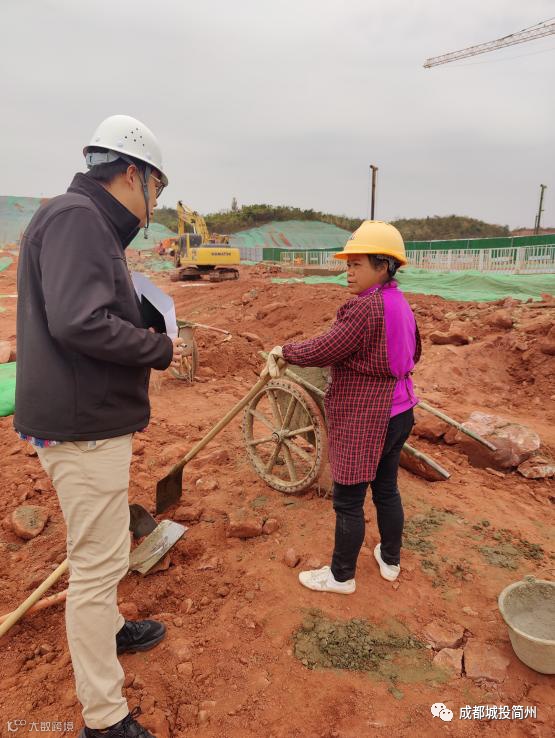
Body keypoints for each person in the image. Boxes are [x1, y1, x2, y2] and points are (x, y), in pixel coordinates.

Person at [14, 115, 183, 738]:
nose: (154, 202)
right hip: (81, 426)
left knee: (107, 545)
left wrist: (137, 312)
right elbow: (79, 322)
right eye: (156, 188)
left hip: (86, 418)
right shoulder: (78, 219)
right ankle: (105, 718)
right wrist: (157, 346)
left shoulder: (80, 220)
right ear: (132, 172)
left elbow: (84, 309)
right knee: (95, 564)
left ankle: (110, 628)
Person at [266, 221, 421, 594]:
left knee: (349, 499)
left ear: (383, 265)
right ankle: (390, 559)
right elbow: (416, 351)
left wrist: (285, 351)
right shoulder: (399, 303)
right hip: (401, 411)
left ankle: (341, 577)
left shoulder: (364, 308)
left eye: (357, 264)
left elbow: (327, 348)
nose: (348, 271)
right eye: (348, 264)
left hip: (367, 417)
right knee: (386, 489)